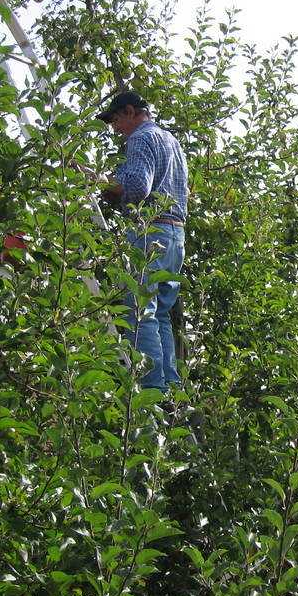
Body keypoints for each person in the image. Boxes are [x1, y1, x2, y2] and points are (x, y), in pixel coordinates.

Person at [97, 91, 189, 394]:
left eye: (115, 120)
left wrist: (96, 180)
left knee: (139, 311)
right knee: (160, 314)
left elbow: (137, 187)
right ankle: (170, 387)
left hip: (150, 232)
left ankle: (152, 389)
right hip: (175, 235)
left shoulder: (139, 138)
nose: (115, 128)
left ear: (129, 111)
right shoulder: (171, 141)